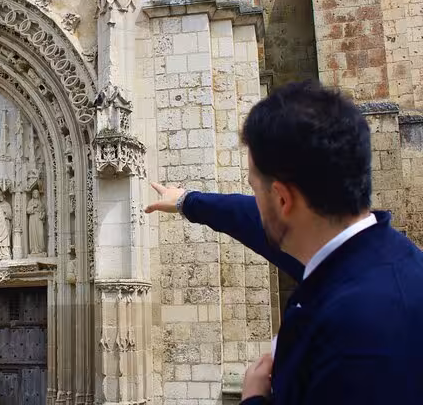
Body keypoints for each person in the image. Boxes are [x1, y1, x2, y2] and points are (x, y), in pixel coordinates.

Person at [146, 80, 423, 404]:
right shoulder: (371, 255)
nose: (256, 202)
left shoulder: (354, 334)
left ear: (282, 199)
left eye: (256, 188)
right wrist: (186, 201)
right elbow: (248, 218)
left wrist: (253, 398)